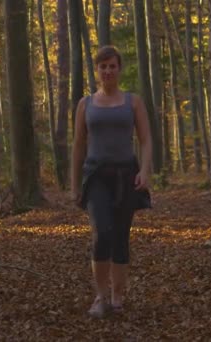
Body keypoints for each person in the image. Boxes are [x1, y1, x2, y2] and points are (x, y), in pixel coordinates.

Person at [71, 45, 152, 318]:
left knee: (120, 237)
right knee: (101, 232)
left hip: (126, 175)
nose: (107, 71)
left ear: (119, 69)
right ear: (97, 71)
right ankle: (100, 296)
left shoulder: (133, 102)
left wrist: (145, 171)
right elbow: (78, 145)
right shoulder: (86, 104)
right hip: (95, 177)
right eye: (102, 66)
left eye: (112, 66)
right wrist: (74, 184)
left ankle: (118, 296)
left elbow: (146, 140)